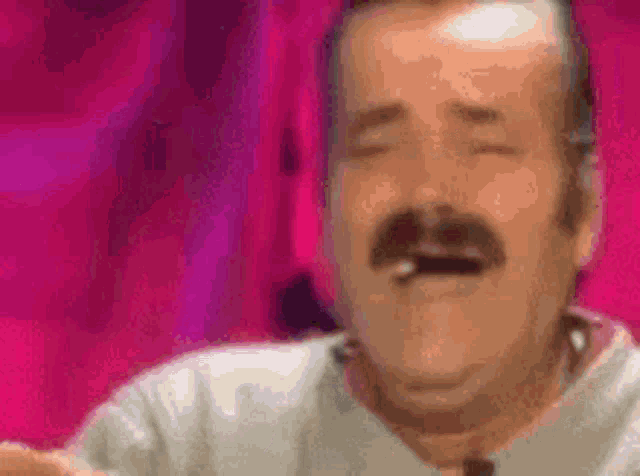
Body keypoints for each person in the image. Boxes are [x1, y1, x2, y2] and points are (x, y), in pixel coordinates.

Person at [2, 0, 638, 475]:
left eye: (484, 146)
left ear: (584, 208)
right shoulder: (184, 439)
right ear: (324, 210)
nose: (428, 193)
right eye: (378, 147)